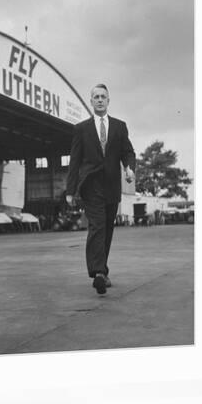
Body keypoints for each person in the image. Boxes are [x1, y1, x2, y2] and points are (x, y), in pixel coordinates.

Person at [66, 84, 136, 295]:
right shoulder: (81, 128)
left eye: (103, 96)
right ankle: (97, 273)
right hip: (91, 186)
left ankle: (102, 271)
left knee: (107, 228)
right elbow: (75, 161)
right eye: (95, 96)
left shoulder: (119, 127)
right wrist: (70, 191)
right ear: (91, 101)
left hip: (112, 185)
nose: (99, 99)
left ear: (108, 100)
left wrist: (130, 168)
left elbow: (128, 152)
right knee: (97, 226)